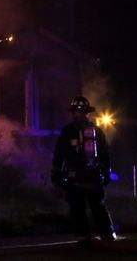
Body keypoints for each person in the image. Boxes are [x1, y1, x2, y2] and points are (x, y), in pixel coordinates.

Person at [51, 96, 116, 242]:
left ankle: (84, 236)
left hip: (75, 176)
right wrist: (106, 173)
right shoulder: (96, 131)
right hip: (93, 175)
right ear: (89, 113)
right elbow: (105, 155)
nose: (79, 114)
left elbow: (59, 154)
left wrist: (56, 173)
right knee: (97, 206)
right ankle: (107, 234)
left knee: (78, 208)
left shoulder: (67, 131)